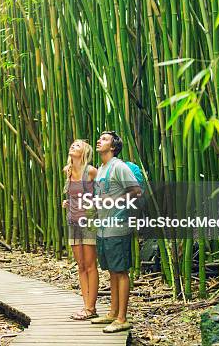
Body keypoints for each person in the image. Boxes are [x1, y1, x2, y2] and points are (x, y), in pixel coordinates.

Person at [90, 131, 141, 333]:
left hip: (118, 225)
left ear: (113, 146)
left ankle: (122, 318)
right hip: (104, 226)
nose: (99, 140)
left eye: (104, 139)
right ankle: (112, 313)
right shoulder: (102, 168)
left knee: (120, 271)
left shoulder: (118, 166)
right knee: (112, 270)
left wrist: (114, 202)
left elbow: (136, 191)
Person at [62, 140, 99, 320]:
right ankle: (85, 306)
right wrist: (67, 203)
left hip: (89, 223)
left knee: (91, 266)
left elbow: (103, 195)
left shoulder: (90, 171)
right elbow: (73, 195)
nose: (73, 146)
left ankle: (91, 308)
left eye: (77, 145)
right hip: (73, 223)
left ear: (84, 152)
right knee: (81, 265)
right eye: (72, 144)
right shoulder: (67, 171)